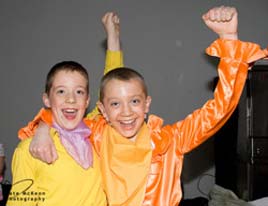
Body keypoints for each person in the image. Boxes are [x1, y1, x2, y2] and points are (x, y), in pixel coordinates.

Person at [17, 6, 267, 206]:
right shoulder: (95, 135)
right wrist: (41, 128)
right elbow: (67, 116)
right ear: (103, 111)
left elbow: (219, 110)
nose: (126, 112)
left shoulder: (170, 141)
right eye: (115, 104)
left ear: (147, 104)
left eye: (134, 101)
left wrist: (229, 41)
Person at [7, 12, 122, 206]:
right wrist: (43, 128)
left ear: (87, 101)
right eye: (61, 91)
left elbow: (113, 87)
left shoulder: (96, 133)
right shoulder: (30, 149)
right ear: (47, 99)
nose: (70, 99)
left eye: (78, 92)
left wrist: (113, 37)